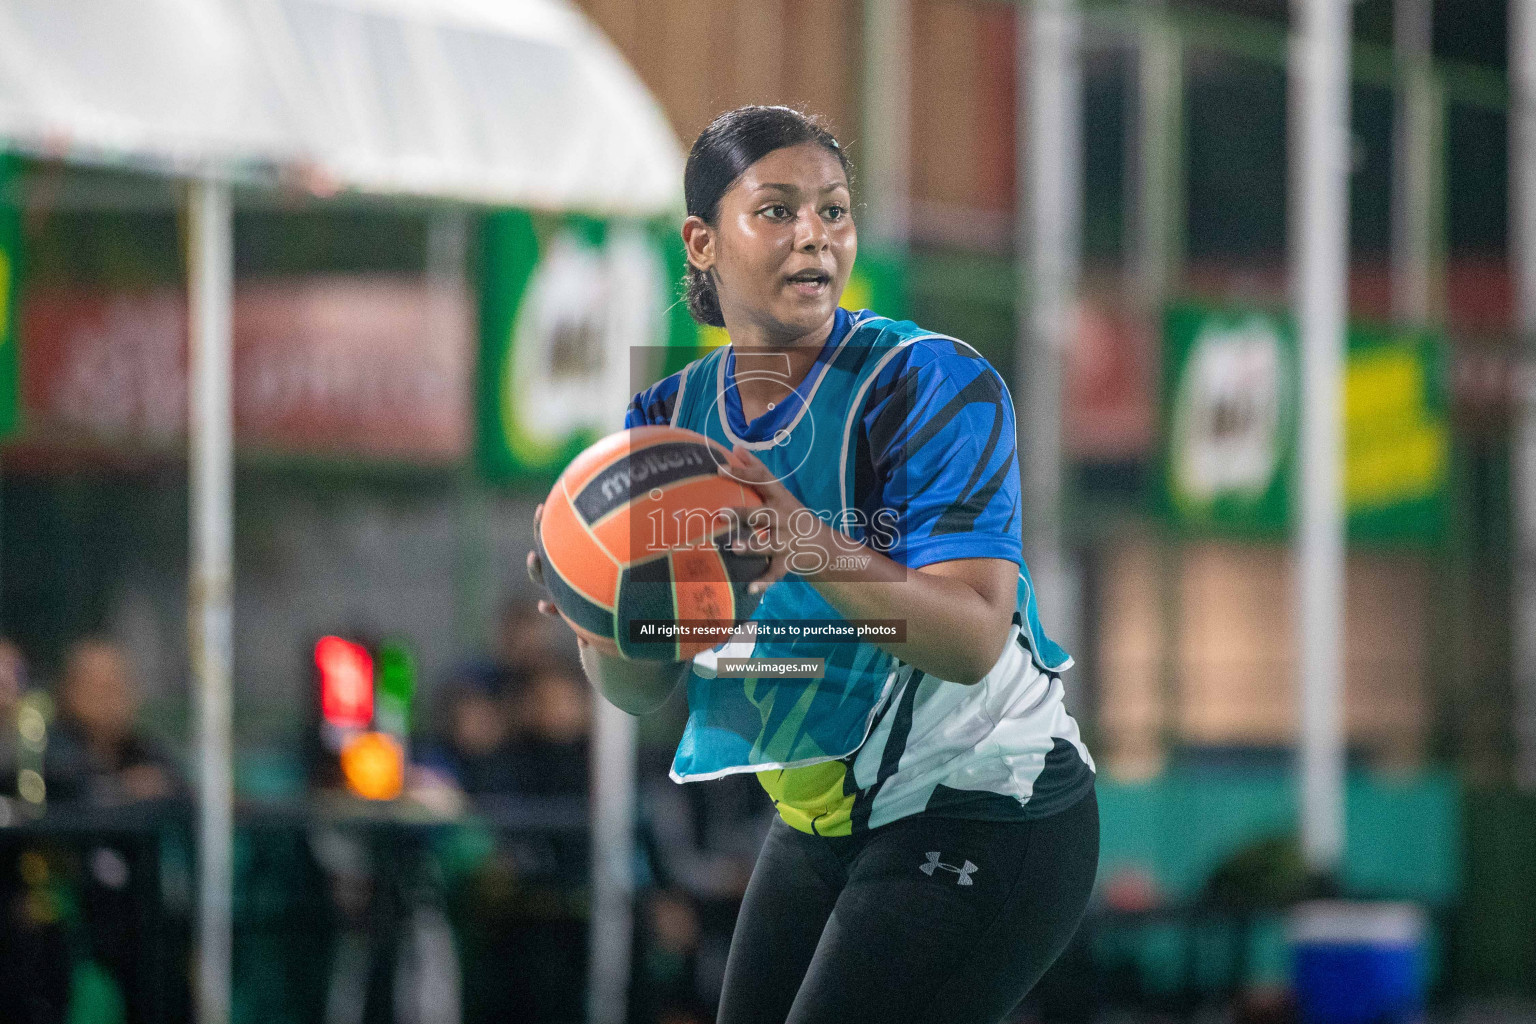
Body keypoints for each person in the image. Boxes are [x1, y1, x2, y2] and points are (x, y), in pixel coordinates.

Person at [528, 105, 1099, 1024]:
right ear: (702, 240)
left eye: (833, 211)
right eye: (777, 210)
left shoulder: (932, 383)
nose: (814, 237)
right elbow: (640, 689)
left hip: (987, 800)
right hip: (823, 820)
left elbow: (970, 640)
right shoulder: (669, 423)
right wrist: (602, 610)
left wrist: (798, 537)